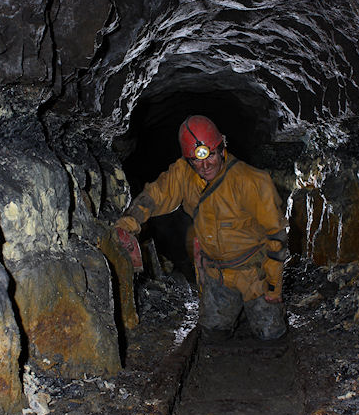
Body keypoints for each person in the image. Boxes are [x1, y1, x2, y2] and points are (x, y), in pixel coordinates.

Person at [114, 115, 290, 341]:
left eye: (211, 156)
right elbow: (155, 196)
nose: (205, 166)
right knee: (212, 335)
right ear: (188, 160)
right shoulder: (183, 174)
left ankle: (253, 310)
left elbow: (276, 236)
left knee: (271, 335)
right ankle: (235, 311)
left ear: (222, 148)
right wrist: (129, 223)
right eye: (196, 161)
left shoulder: (252, 181)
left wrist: (274, 286)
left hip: (254, 273)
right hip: (218, 274)